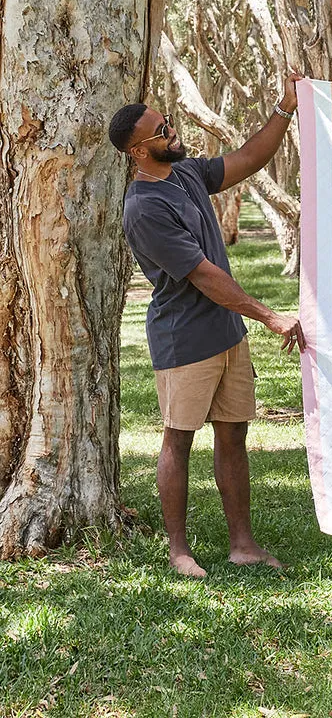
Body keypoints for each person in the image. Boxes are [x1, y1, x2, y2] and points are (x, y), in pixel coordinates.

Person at [108, 75, 307, 579]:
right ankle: (179, 550)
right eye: (161, 131)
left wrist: (284, 108)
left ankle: (242, 544)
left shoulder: (187, 174)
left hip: (226, 335)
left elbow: (247, 159)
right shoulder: (143, 208)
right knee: (178, 440)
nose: (171, 132)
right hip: (185, 340)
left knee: (233, 436)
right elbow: (203, 275)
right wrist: (270, 315)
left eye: (168, 123)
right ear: (138, 151)